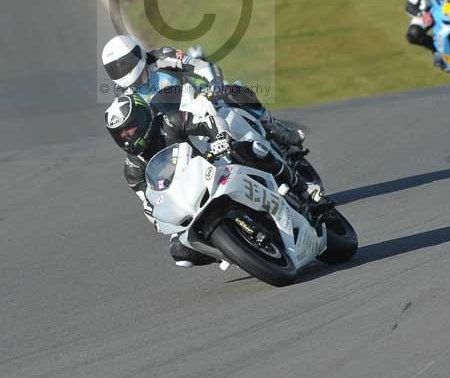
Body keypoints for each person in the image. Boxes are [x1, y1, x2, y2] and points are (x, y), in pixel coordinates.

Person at [104, 93, 322, 268]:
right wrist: (158, 218)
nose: (127, 136)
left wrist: (220, 137)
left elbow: (207, 122)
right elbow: (149, 202)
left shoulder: (169, 122)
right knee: (180, 254)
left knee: (251, 149)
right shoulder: (132, 169)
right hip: (187, 202)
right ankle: (231, 251)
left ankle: (301, 187)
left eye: (130, 127)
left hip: (215, 170)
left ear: (143, 117)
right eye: (120, 134)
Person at [101, 34, 305, 148]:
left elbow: (201, 66)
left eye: (124, 63)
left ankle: (274, 127)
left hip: (201, 99)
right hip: (176, 125)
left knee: (234, 90)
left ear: (136, 54)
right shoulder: (124, 94)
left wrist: (214, 88)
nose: (122, 69)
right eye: (115, 67)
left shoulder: (162, 56)